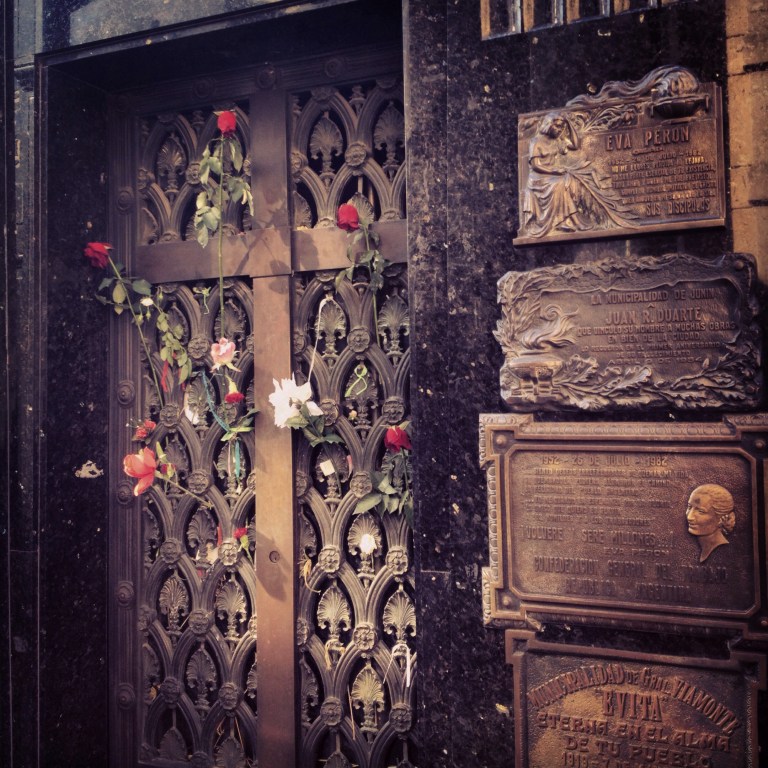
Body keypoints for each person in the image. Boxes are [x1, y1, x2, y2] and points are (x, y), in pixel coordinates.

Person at [521, 111, 637, 238]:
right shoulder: (536, 141)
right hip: (539, 178)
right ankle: (566, 220)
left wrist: (569, 124)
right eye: (557, 126)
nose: (559, 129)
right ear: (549, 125)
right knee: (561, 183)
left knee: (571, 179)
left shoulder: (557, 140)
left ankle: (570, 219)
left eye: (561, 127)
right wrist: (554, 171)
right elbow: (536, 165)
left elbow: (576, 145)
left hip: (554, 174)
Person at [685, 484, 735, 563]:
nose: (689, 517)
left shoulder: (724, 554)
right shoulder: (694, 549)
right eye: (689, 507)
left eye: (701, 511)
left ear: (720, 518)